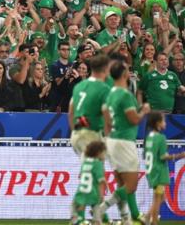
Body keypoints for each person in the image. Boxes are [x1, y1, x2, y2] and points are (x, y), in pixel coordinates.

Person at [95, 60, 151, 224]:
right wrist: (144, 111)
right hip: (125, 141)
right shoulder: (125, 95)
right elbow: (134, 119)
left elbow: (106, 118)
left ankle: (129, 218)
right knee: (131, 185)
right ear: (125, 74)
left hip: (112, 140)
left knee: (122, 183)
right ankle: (102, 208)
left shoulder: (111, 93)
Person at [143, 112, 185, 225]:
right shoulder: (161, 137)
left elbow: (145, 155)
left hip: (150, 170)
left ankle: (147, 217)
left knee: (161, 198)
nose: (165, 123)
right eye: (163, 121)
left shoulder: (149, 137)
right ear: (158, 123)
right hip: (159, 172)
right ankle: (154, 222)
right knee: (157, 199)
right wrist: (178, 156)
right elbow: (163, 156)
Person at [68, 55, 111, 157]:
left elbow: (71, 113)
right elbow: (107, 117)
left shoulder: (79, 86)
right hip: (91, 134)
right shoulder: (103, 88)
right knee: (93, 167)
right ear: (105, 69)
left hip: (76, 135)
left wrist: (75, 131)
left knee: (86, 166)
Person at [70, 141, 107, 225]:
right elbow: (101, 181)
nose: (104, 155)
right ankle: (96, 221)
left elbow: (81, 176)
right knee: (97, 215)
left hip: (81, 192)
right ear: (98, 153)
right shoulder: (98, 164)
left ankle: (77, 220)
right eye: (103, 153)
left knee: (73, 206)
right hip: (93, 193)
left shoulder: (85, 163)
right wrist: (101, 195)